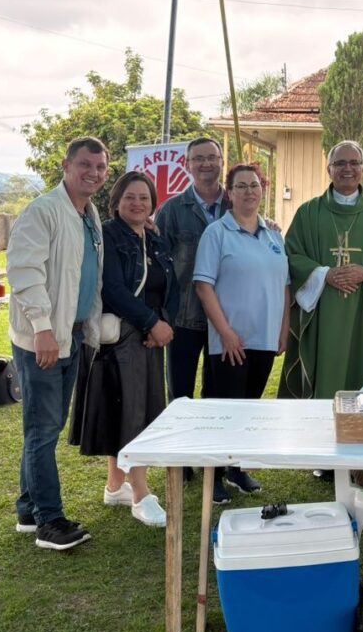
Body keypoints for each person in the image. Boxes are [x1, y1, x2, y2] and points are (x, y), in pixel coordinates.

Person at [8, 136, 108, 551]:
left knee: (44, 427)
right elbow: (24, 272)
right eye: (85, 164)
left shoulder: (89, 213)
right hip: (43, 340)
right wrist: (42, 328)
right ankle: (51, 522)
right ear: (66, 165)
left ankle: (29, 510)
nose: (93, 173)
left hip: (71, 334)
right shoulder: (43, 211)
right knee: (43, 429)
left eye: (101, 167)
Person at [71, 171, 177, 527]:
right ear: (116, 202)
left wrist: (160, 324)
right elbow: (112, 288)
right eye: (130, 197)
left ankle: (115, 484)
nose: (137, 203)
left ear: (152, 203)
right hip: (121, 339)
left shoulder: (153, 237)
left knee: (137, 409)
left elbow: (169, 286)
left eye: (144, 198)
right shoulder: (108, 235)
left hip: (149, 336)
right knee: (132, 414)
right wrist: (151, 323)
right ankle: (141, 493)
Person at [278, 140, 363, 400]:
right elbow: (292, 256)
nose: (347, 168)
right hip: (322, 314)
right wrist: (324, 274)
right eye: (340, 163)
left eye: (354, 162)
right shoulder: (308, 213)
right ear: (329, 169)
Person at [194, 163, 290, 503]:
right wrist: (226, 333)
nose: (249, 191)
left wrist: (283, 328)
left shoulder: (274, 235)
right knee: (225, 410)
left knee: (249, 409)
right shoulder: (217, 233)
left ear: (262, 190)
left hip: (264, 340)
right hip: (230, 341)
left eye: (255, 185)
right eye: (241, 186)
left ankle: (236, 468)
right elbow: (204, 286)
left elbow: (285, 286)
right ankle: (215, 474)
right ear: (230, 193)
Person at [155, 136, 227, 486]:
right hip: (183, 317)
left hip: (225, 318)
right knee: (181, 393)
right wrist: (160, 315)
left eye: (211, 157)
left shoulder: (236, 203)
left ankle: (220, 462)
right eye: (198, 159)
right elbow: (159, 265)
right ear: (187, 164)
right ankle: (182, 461)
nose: (205, 164)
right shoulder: (172, 211)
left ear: (221, 161)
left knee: (219, 396)